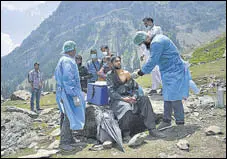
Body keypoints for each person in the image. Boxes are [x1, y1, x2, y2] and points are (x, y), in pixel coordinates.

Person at [133, 31, 191, 131]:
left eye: (142, 44)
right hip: (168, 71)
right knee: (167, 96)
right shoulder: (157, 38)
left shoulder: (156, 43)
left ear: (146, 39)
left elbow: (153, 60)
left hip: (174, 70)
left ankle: (180, 123)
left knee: (175, 96)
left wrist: (140, 72)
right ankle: (166, 120)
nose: (142, 46)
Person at [106, 56, 166, 141]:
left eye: (119, 61)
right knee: (126, 107)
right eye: (116, 61)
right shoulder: (109, 75)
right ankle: (126, 134)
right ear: (112, 64)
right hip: (118, 100)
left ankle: (152, 129)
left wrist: (134, 96)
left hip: (130, 97)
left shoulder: (126, 74)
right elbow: (111, 92)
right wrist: (123, 99)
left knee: (145, 99)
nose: (118, 63)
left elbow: (135, 88)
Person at [55, 40, 86, 151]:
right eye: (74, 49)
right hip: (68, 93)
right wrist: (73, 94)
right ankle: (64, 142)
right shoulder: (68, 61)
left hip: (64, 92)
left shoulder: (63, 60)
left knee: (67, 115)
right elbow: (68, 79)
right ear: (71, 50)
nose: (75, 51)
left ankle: (70, 138)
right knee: (69, 115)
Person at [140, 17, 163, 95]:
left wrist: (145, 38)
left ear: (150, 21)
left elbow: (152, 38)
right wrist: (143, 54)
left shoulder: (157, 28)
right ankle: (154, 88)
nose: (145, 24)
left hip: (156, 52)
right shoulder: (149, 31)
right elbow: (146, 45)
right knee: (153, 71)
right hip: (149, 53)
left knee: (158, 70)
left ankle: (164, 87)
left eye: (145, 22)